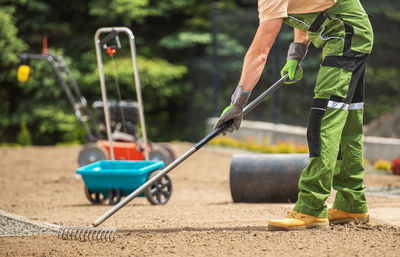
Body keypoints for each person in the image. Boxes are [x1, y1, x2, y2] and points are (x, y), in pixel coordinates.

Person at [214, 0, 373, 231]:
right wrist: (295, 54)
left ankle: (311, 208)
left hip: (345, 38)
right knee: (348, 124)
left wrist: (237, 102)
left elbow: (259, 53)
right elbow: (305, 12)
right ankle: (352, 203)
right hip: (353, 36)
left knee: (322, 123)